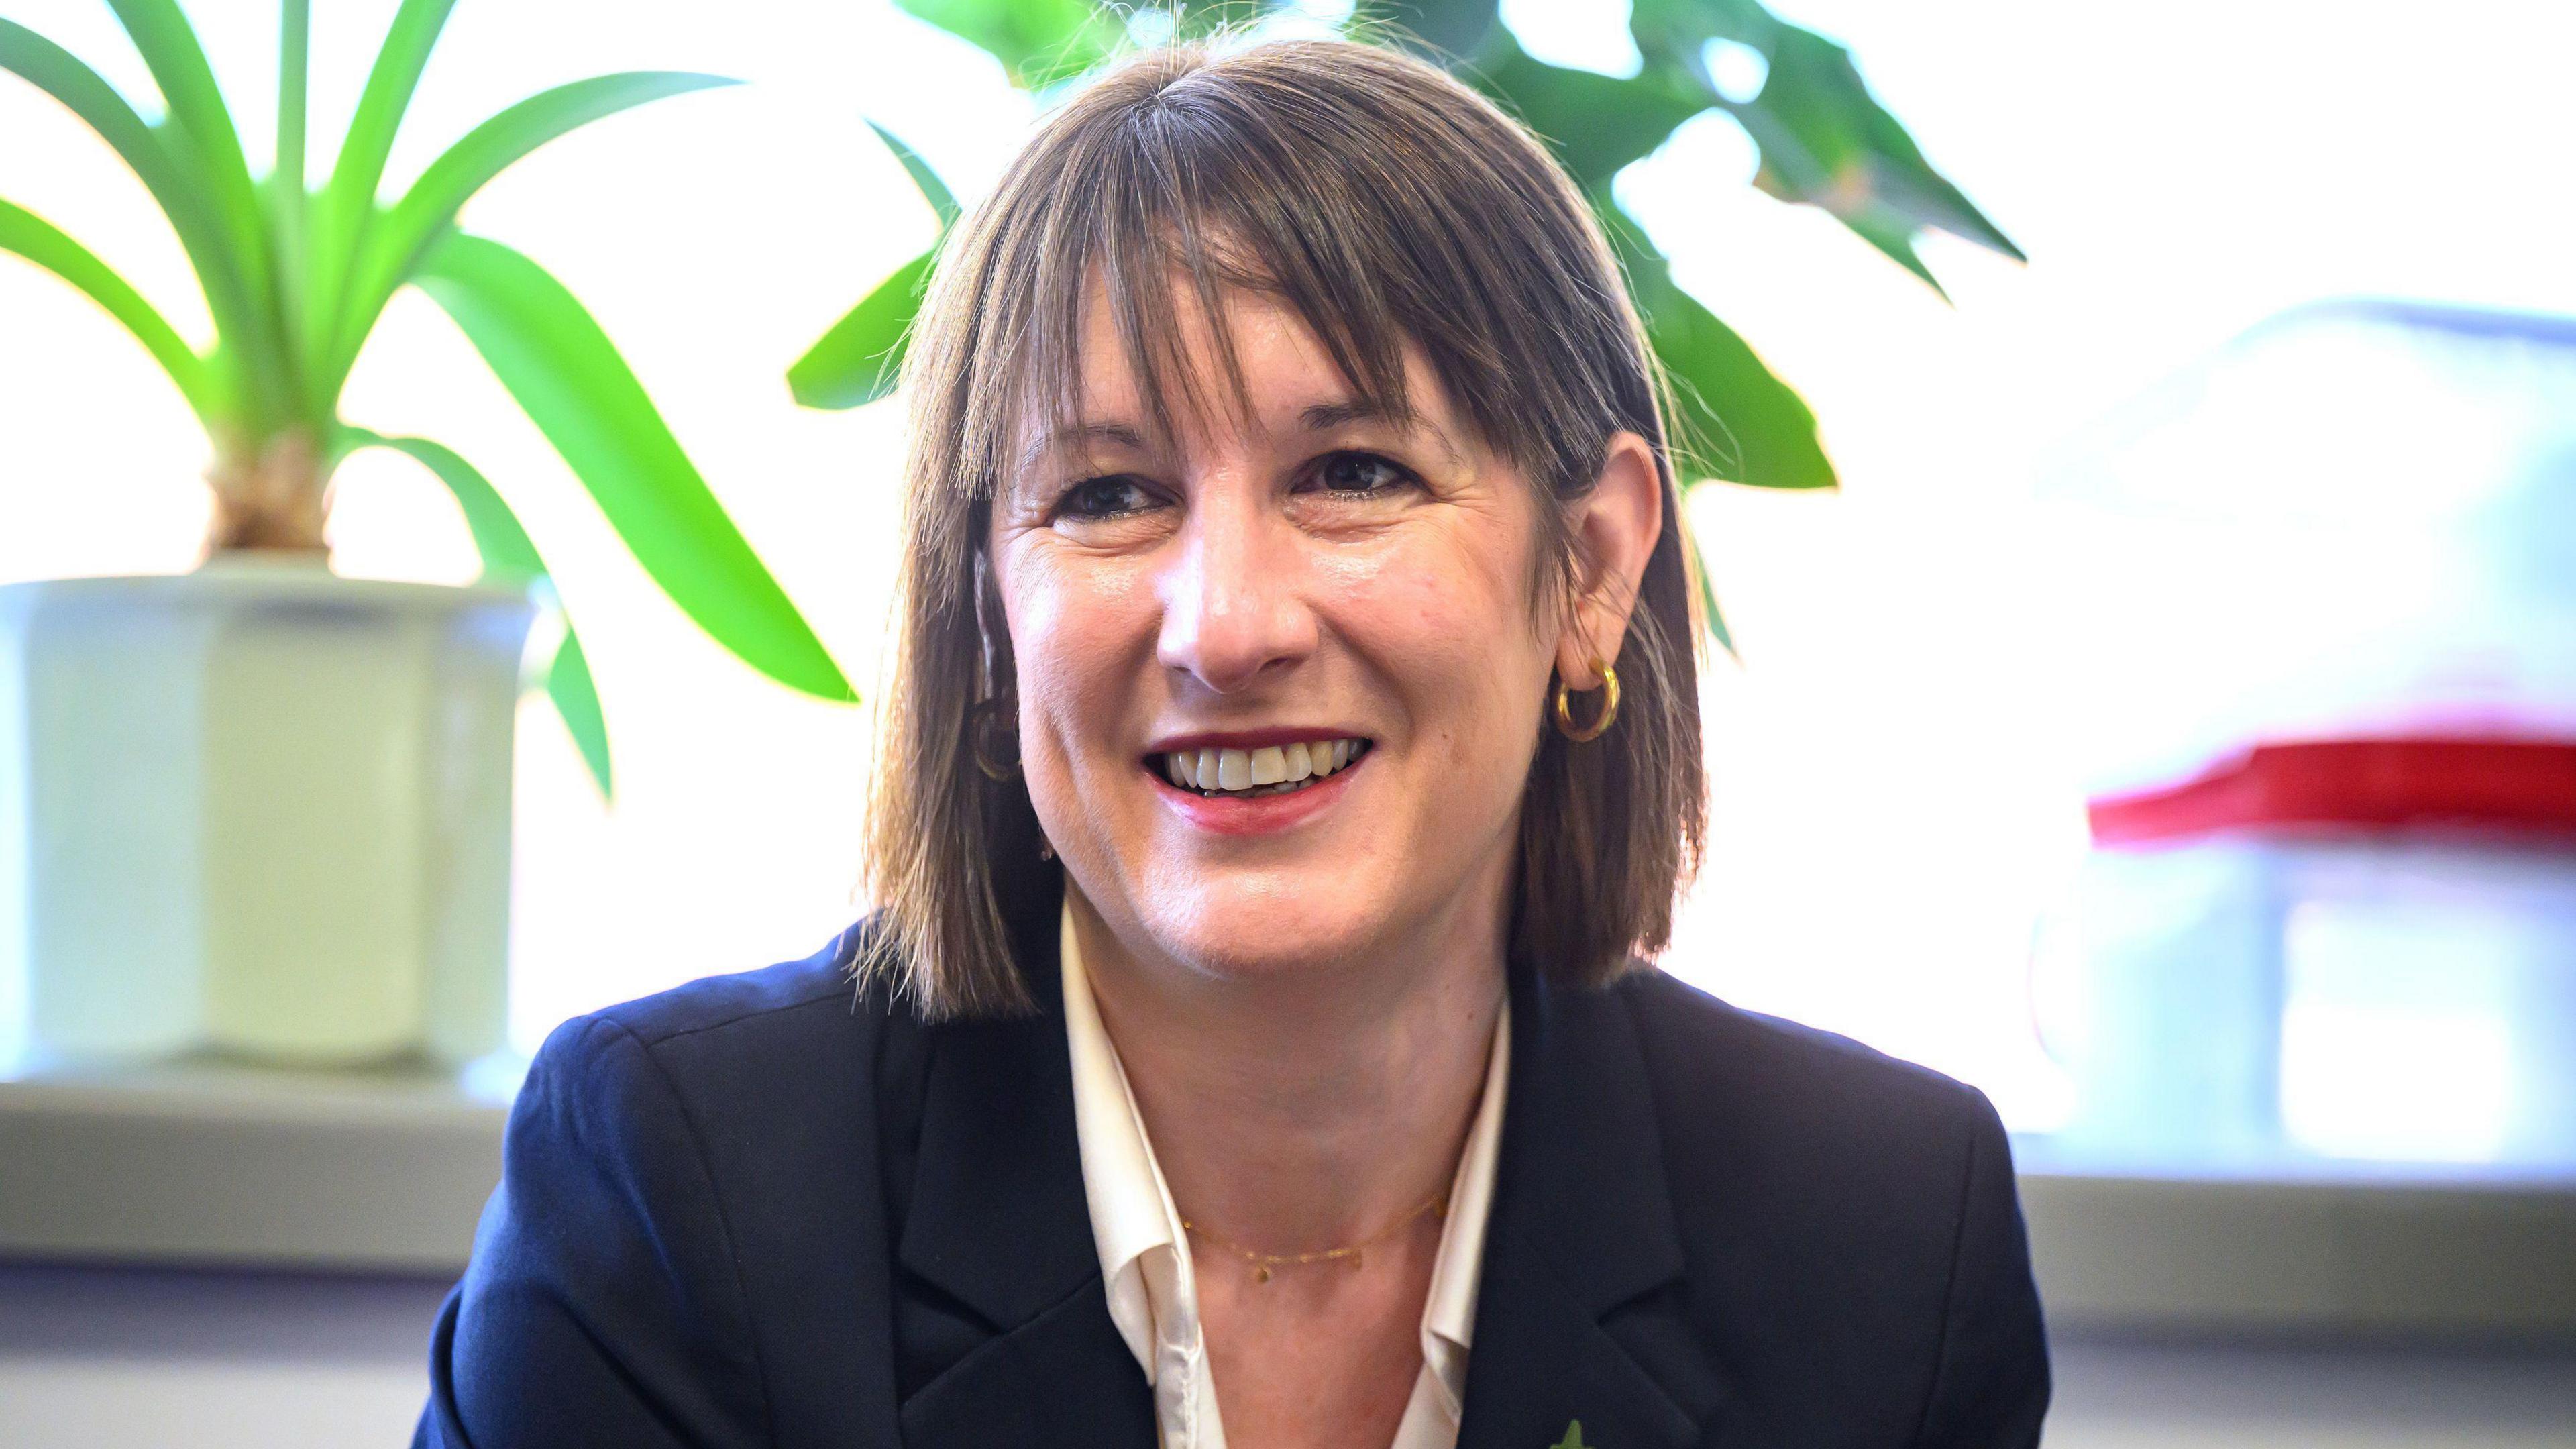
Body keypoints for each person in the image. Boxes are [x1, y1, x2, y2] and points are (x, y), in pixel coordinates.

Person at [415, 34, 2049, 1449]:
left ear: (1596, 568)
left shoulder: (1886, 1239)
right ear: (986, 621)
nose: (1226, 625)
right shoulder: (679, 1200)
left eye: (1353, 474)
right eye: (1109, 496)